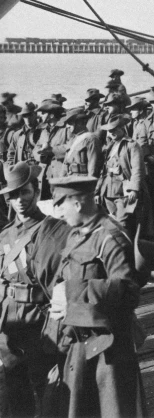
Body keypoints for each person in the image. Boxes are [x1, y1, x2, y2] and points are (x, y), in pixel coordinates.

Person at [46, 175, 146, 417]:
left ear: (78, 204)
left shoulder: (110, 238)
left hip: (108, 351)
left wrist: (73, 294)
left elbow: (129, 292)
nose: (59, 213)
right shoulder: (77, 234)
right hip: (79, 342)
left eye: (62, 205)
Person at [0, 163, 71, 416]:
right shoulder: (6, 235)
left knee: (48, 390)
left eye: (24, 192)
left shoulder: (54, 230)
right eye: (12, 195)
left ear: (36, 191)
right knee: (14, 388)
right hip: (9, 323)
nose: (18, 201)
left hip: (39, 321)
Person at [97, 115, 152, 240]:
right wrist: (98, 190)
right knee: (112, 222)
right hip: (108, 189)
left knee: (123, 224)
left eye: (115, 130)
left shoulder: (132, 145)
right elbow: (104, 170)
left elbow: (137, 168)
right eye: (110, 131)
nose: (112, 133)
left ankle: (128, 250)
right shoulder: (109, 146)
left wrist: (134, 189)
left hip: (123, 190)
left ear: (122, 129)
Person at [61, 108, 103, 178]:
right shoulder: (72, 140)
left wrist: (91, 184)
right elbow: (65, 165)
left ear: (80, 123)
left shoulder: (91, 139)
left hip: (83, 182)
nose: (67, 126)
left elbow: (93, 166)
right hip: (70, 179)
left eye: (70, 123)